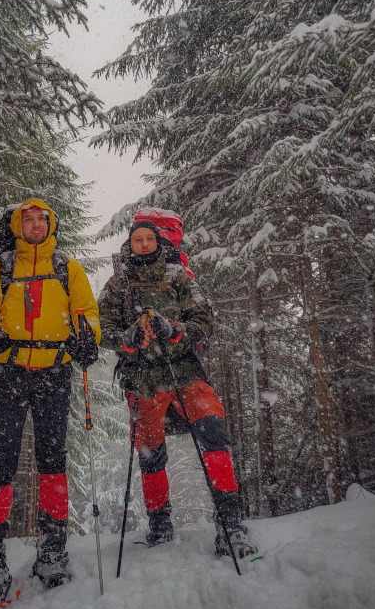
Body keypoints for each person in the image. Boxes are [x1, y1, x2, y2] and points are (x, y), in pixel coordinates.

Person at [97, 217, 256, 557]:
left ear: (158, 243)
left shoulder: (178, 277)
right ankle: (160, 525)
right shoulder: (118, 284)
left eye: (149, 239)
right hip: (143, 378)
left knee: (214, 433)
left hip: (184, 371)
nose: (143, 244)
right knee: (150, 452)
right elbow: (100, 327)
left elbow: (205, 319)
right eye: (137, 239)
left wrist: (175, 330)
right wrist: (125, 338)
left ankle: (229, 523)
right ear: (130, 245)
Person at [0, 198, 100, 604]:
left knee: (52, 461)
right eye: (28, 219)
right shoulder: (2, 267)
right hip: (8, 374)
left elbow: (86, 311)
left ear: (51, 224)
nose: (36, 224)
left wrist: (88, 339)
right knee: (0, 462)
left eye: (42, 218)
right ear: (17, 226)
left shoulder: (67, 267)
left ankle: (53, 553)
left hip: (54, 374)